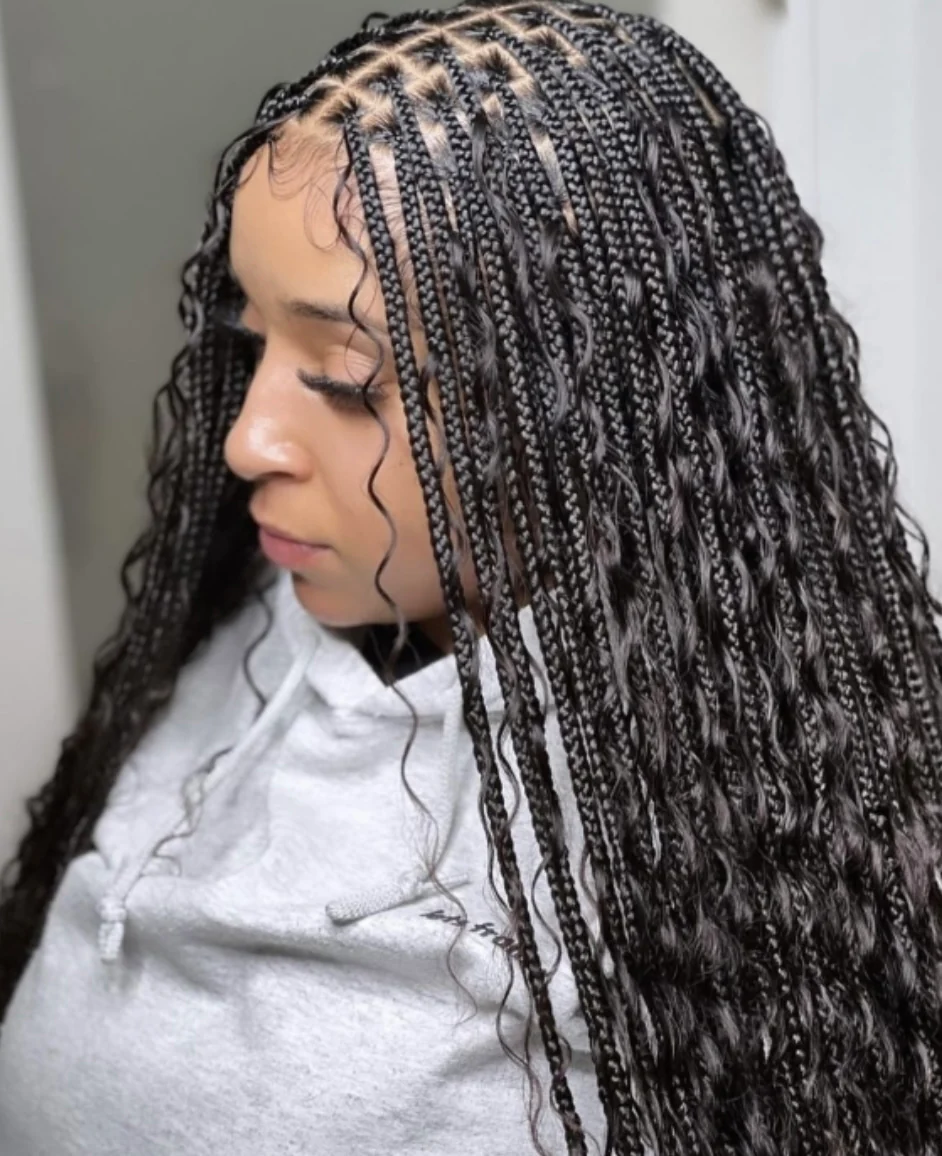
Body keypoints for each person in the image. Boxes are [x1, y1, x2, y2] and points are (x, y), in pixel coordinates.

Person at [1, 1, 941, 1152]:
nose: (248, 440)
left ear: (593, 417)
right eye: (253, 345)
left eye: (345, 379)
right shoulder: (254, 623)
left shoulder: (739, 845)